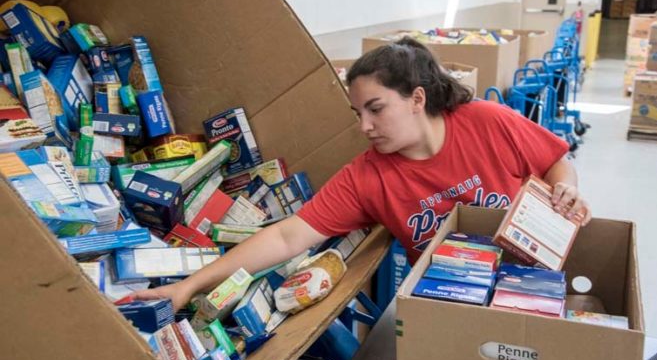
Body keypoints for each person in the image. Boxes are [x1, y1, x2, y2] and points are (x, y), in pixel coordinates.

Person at [133, 37, 591, 311]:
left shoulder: (487, 121)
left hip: (534, 290)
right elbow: (286, 237)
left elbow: (555, 159)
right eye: (357, 113)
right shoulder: (368, 177)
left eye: (375, 109)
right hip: (452, 305)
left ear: (417, 98)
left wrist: (565, 188)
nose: (364, 127)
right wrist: (189, 286)